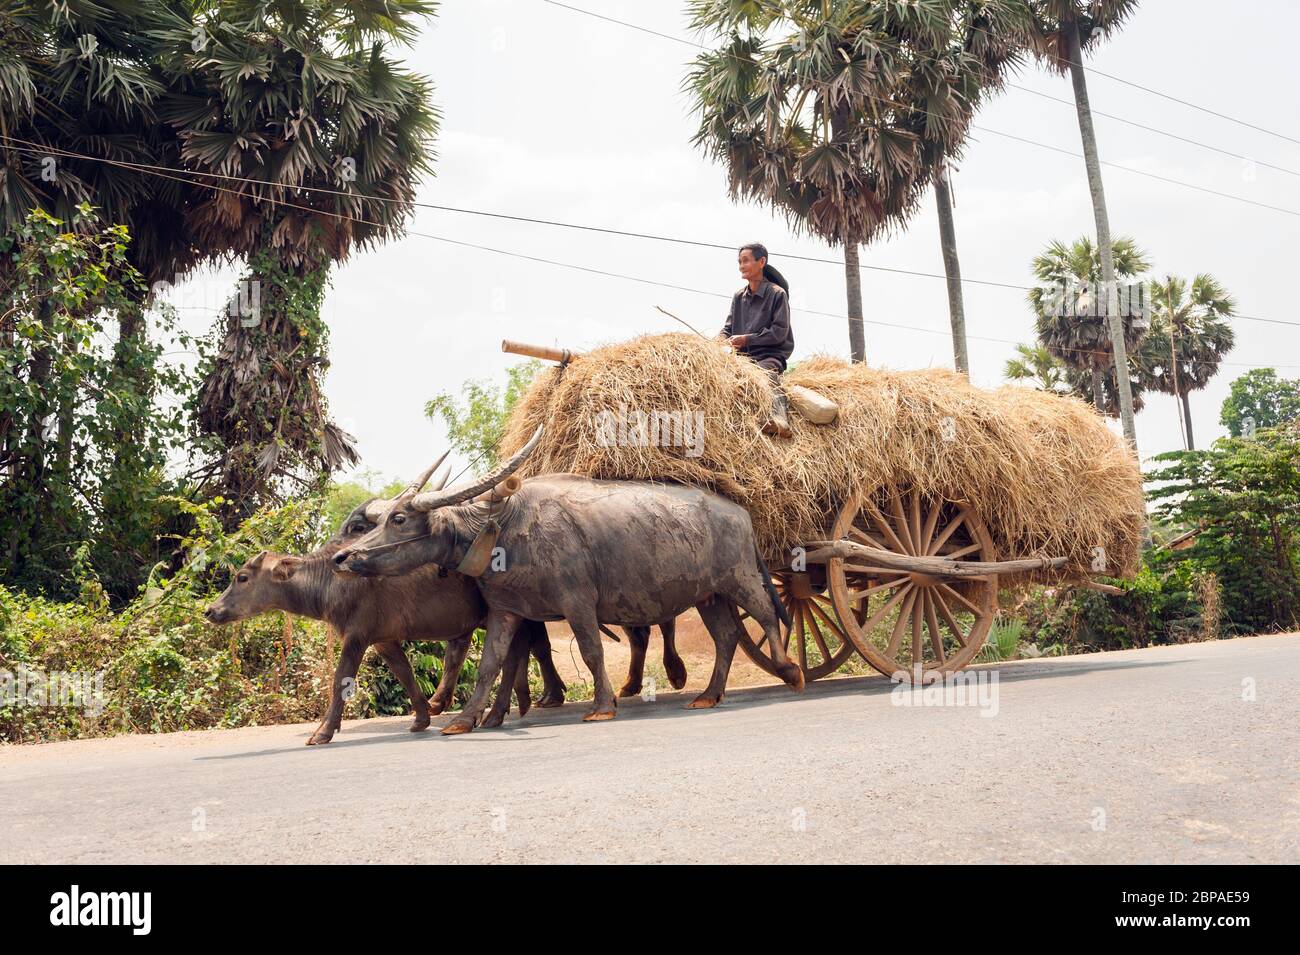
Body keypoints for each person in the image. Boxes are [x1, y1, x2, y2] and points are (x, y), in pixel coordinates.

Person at [720, 242, 794, 437]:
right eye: (739, 262)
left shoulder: (777, 294)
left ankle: (780, 420)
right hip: (741, 358)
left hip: (769, 356)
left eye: (745, 261)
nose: (741, 266)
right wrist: (718, 341)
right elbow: (728, 328)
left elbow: (779, 331)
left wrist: (747, 339)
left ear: (761, 262)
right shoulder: (738, 297)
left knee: (764, 375)